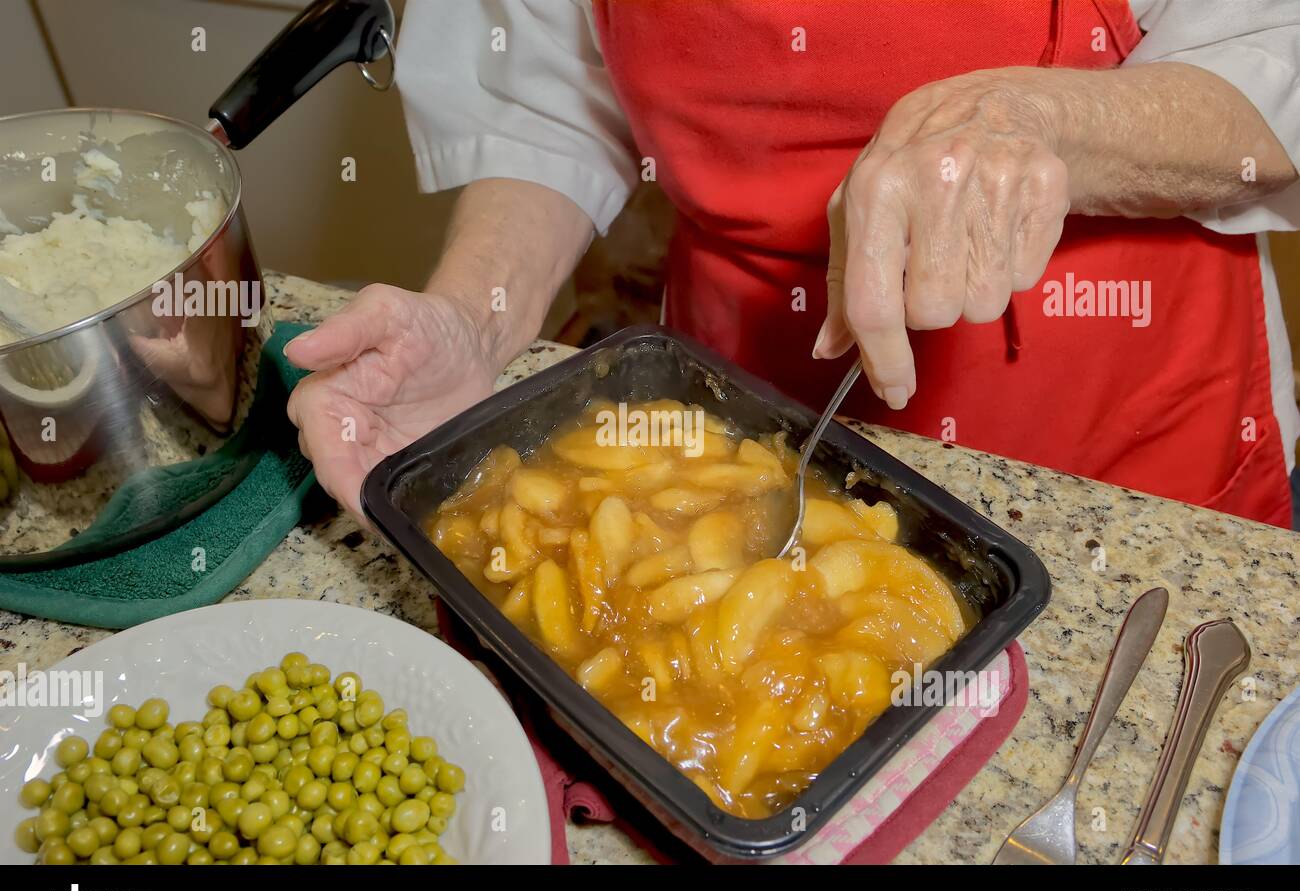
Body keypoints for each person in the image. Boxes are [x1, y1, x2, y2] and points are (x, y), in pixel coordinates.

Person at [286, 0, 1300, 529]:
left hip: (1123, 418)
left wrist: (1049, 126)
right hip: (733, 402)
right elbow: (547, 106)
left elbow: (1277, 50)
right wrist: (474, 313)